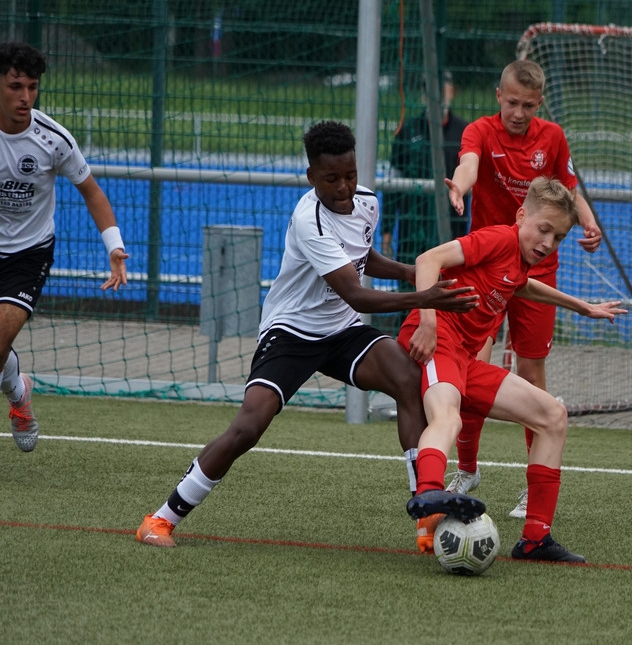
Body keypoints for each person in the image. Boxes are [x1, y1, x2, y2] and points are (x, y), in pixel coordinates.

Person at [136, 120, 482, 548]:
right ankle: (161, 518)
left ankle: (426, 512)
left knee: (409, 380)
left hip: (341, 330)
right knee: (249, 427)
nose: (344, 187)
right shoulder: (309, 221)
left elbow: (362, 255)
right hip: (292, 333)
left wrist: (409, 272)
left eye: (350, 175)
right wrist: (425, 295)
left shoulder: (367, 202)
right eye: (331, 178)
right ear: (311, 177)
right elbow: (355, 293)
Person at [401, 178, 625, 563]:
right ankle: (429, 501)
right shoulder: (500, 239)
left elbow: (523, 285)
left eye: (558, 238)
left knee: (552, 416)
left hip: (465, 359)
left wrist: (583, 306)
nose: (548, 243)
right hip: (439, 342)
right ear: (521, 216)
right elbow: (427, 260)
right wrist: (428, 322)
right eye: (543, 230)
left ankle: (536, 539)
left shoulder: (520, 261)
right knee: (448, 416)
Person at [442, 59, 603, 518]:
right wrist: (460, 188)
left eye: (528, 105)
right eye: (512, 102)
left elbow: (568, 191)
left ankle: (534, 485)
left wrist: (589, 222)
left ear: (540, 104)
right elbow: (468, 163)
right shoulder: (480, 130)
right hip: (486, 269)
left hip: (538, 269)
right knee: (470, 369)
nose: (518, 112)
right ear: (499, 96)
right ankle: (467, 470)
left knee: (532, 376)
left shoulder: (552, 137)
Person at [0, 41, 129, 453]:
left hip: (29, 254)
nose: (25, 97)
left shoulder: (53, 139)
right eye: (16, 86)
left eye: (33, 87)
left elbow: (91, 191)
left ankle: (18, 400)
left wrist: (114, 247)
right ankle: (18, 389)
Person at [382, 71, 469, 285]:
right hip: (412, 231)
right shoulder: (407, 131)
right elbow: (392, 185)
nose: (435, 96)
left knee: (449, 291)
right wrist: (386, 232)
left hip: (452, 232)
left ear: (451, 91)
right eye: (429, 90)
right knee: (409, 291)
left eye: (441, 90)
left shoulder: (465, 132)